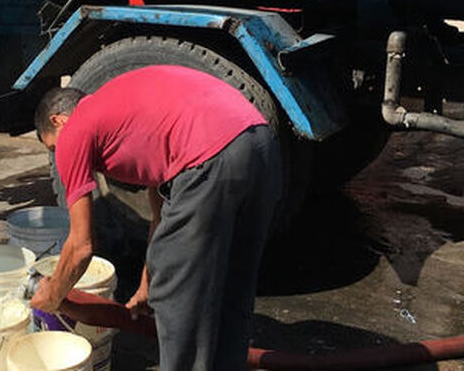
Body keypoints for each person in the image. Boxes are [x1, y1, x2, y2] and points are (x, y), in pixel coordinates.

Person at [30, 65, 283, 371]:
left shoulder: (76, 129)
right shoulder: (125, 113)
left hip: (211, 153)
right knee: (230, 288)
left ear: (58, 120)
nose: (59, 157)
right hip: (260, 144)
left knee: (179, 300)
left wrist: (54, 294)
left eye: (53, 147)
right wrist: (146, 285)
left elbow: (81, 244)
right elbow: (161, 210)